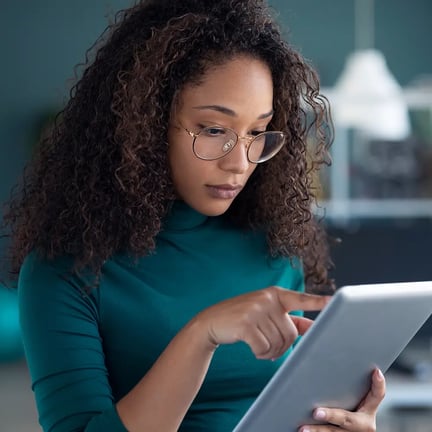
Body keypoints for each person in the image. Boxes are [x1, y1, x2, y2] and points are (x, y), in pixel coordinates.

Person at [2, 1, 386, 431]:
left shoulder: (273, 246)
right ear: (143, 124)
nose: (240, 162)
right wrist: (201, 335)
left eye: (257, 132)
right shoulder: (66, 271)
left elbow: (289, 411)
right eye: (214, 130)